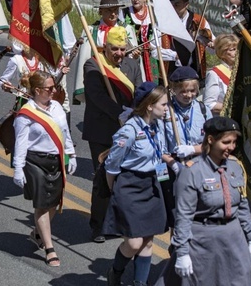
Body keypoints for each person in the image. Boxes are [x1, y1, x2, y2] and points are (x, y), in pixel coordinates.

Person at [155, 117, 251, 285]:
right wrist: (182, 252)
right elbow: (184, 215)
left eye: (234, 142)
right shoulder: (192, 171)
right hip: (203, 241)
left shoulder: (235, 167)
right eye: (226, 142)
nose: (231, 147)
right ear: (210, 140)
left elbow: (243, 207)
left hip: (234, 238)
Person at [104, 82, 168, 286]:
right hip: (130, 186)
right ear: (150, 105)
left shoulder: (158, 126)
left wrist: (164, 183)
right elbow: (112, 166)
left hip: (152, 184)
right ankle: (115, 271)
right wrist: (115, 190)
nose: (167, 109)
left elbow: (159, 157)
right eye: (164, 104)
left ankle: (139, 283)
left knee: (148, 241)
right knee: (133, 242)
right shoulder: (130, 131)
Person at [82, 25, 142, 243]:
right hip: (102, 130)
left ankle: (118, 221)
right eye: (114, 49)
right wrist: (120, 112)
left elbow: (139, 91)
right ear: (105, 47)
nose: (119, 54)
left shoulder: (132, 65)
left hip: (127, 131)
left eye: (122, 49)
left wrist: (136, 111)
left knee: (124, 178)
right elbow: (96, 96)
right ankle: (97, 226)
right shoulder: (94, 64)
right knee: (102, 177)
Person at [12, 71, 76, 267]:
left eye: (53, 87)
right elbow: (21, 143)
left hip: (55, 160)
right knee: (41, 203)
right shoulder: (26, 114)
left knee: (54, 202)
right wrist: (18, 168)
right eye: (49, 89)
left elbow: (64, 132)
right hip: (35, 161)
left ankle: (37, 233)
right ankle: (49, 248)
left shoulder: (56, 107)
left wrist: (71, 154)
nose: (53, 91)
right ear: (37, 90)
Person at [159, 66, 212, 229]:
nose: (189, 95)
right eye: (184, 91)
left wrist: (193, 150)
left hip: (198, 167)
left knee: (200, 214)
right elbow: (157, 148)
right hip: (171, 169)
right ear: (173, 89)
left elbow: (213, 143)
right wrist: (173, 164)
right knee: (176, 217)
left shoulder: (203, 110)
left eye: (192, 91)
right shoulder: (164, 111)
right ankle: (176, 251)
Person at [73, 0, 138, 104]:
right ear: (100, 12)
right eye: (108, 11)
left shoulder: (127, 29)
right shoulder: (91, 30)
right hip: (98, 72)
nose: (113, 14)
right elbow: (84, 56)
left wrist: (134, 56)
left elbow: (132, 54)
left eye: (115, 10)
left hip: (120, 74)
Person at [161, 0, 213, 82]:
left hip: (195, 73)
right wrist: (175, 55)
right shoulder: (163, 23)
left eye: (176, 5)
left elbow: (212, 45)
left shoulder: (199, 21)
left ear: (186, 4)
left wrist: (211, 44)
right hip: (171, 74)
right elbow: (155, 51)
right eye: (170, 5)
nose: (172, 8)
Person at [121, 0, 159, 83]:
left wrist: (153, 45)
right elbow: (121, 34)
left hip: (152, 56)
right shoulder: (124, 13)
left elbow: (159, 32)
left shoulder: (153, 12)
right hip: (133, 55)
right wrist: (130, 48)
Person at [203, 34, 239, 114]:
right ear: (222, 53)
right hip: (224, 121)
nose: (236, 52)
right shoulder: (214, 74)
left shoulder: (242, 71)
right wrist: (234, 108)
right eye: (232, 49)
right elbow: (209, 104)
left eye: (237, 49)